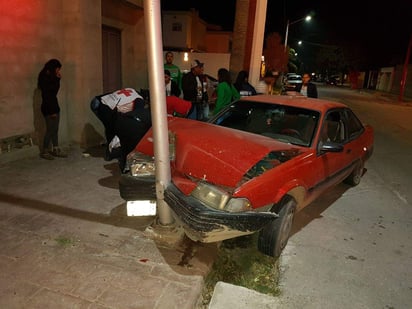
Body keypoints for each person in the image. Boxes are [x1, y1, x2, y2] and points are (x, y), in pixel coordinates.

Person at [90, 88, 152, 172]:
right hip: (106, 107)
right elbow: (138, 115)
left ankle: (112, 151)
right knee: (112, 128)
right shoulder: (139, 100)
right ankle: (111, 153)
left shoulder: (131, 91)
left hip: (97, 101)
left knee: (110, 127)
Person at [37, 58, 67, 160]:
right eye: (58, 69)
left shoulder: (52, 77)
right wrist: (51, 111)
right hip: (49, 107)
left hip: (54, 105)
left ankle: (56, 149)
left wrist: (57, 79)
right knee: (50, 129)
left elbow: (54, 92)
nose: (58, 71)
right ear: (54, 68)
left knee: (55, 129)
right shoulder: (44, 77)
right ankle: (45, 151)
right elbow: (47, 95)